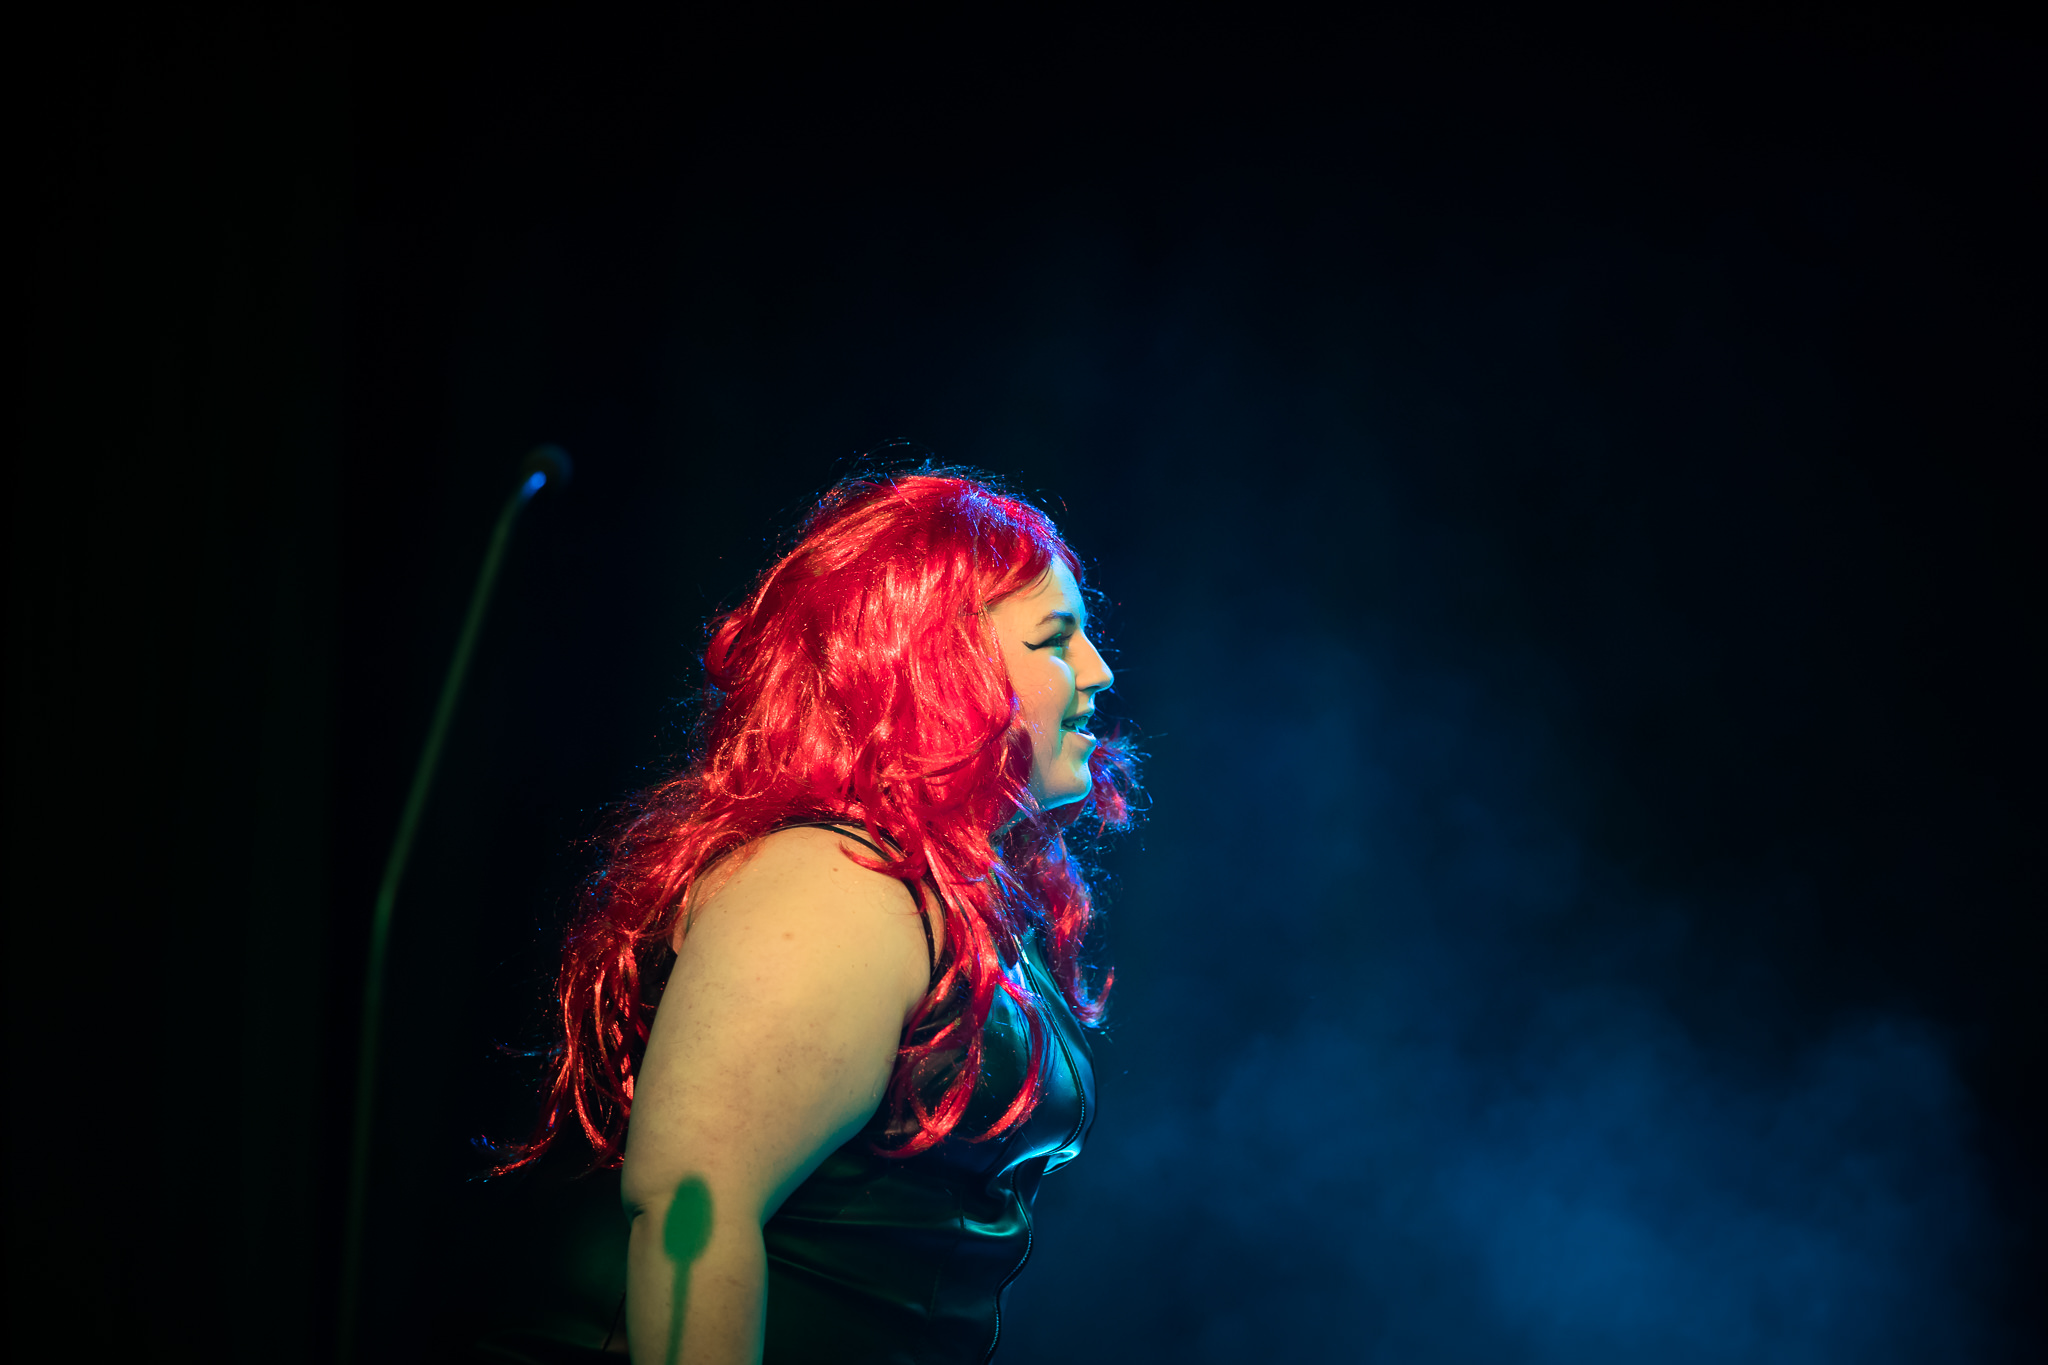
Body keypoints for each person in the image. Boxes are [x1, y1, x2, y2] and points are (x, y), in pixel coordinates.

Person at [498, 468, 1141, 1365]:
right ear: (938, 664)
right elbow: (693, 1201)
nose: (1099, 671)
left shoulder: (937, 895)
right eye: (1055, 640)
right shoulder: (831, 880)